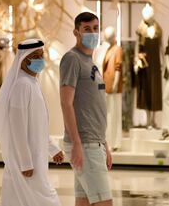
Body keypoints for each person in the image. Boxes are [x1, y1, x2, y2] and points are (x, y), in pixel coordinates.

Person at [0, 39, 64, 206]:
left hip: (35, 157)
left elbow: (39, 127)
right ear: (24, 60)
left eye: (41, 55)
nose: (40, 60)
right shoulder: (21, 86)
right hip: (26, 161)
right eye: (35, 56)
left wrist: (53, 149)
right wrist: (25, 163)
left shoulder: (32, 83)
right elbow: (18, 129)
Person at [60, 12, 113, 206]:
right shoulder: (72, 59)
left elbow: (93, 106)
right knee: (104, 203)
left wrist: (104, 143)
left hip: (94, 142)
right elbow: (66, 102)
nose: (93, 33)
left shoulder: (91, 63)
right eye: (87, 29)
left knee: (83, 202)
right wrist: (76, 143)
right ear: (77, 32)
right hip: (85, 144)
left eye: (96, 29)